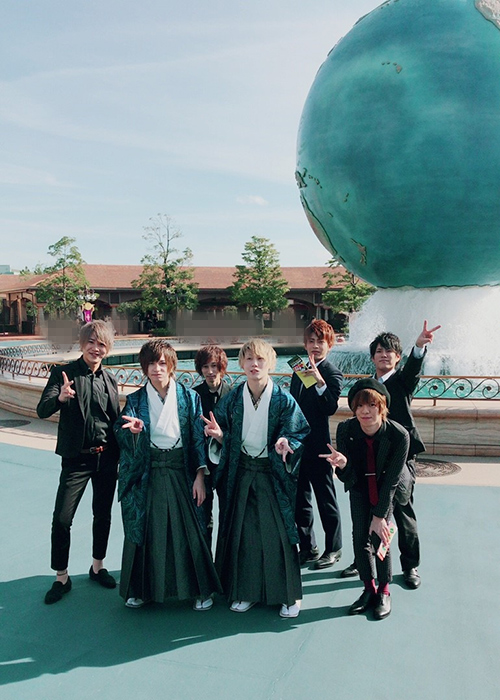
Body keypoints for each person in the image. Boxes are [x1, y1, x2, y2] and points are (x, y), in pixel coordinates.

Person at [203, 339, 310, 618]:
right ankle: (246, 591)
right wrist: (220, 436)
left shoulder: (283, 399)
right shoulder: (232, 399)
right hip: (242, 472)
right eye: (249, 359)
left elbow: (298, 432)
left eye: (260, 359)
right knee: (245, 533)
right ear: (241, 363)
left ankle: (288, 595)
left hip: (272, 473)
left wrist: (286, 444)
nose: (254, 364)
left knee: (278, 534)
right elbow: (221, 431)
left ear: (270, 364)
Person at [115, 339, 221, 611]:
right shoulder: (136, 399)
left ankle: (200, 590)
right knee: (146, 531)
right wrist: (133, 432)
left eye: (162, 363)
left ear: (171, 365)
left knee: (190, 530)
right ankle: (143, 589)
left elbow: (197, 439)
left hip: (181, 470)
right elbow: (120, 430)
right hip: (148, 472)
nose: (156, 369)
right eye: (151, 363)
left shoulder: (189, 397)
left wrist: (200, 476)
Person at [341, 320, 441, 588]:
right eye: (379, 351)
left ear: (397, 357)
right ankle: (364, 560)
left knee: (402, 509)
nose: (384, 355)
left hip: (401, 456)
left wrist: (418, 347)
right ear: (372, 357)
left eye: (390, 351)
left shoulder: (402, 381)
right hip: (370, 456)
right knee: (366, 510)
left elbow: (413, 369)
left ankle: (410, 565)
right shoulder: (366, 387)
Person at [37, 320, 120, 605]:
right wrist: (60, 398)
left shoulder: (109, 379)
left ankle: (97, 566)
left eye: (102, 344)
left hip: (106, 457)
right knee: (62, 518)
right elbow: (42, 409)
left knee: (103, 514)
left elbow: (113, 419)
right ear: (82, 344)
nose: (96, 348)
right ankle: (61, 576)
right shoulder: (64, 373)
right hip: (76, 459)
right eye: (91, 342)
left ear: (107, 349)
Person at [322, 378, 410, 620]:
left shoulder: (398, 435)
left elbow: (392, 480)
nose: (365, 411)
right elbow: (348, 477)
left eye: (371, 405)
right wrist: (343, 464)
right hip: (360, 487)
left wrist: (380, 516)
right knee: (360, 537)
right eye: (359, 406)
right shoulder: (346, 429)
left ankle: (384, 590)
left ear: (382, 406)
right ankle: (369, 589)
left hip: (385, 487)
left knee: (381, 538)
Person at [290, 319, 343, 568]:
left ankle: (334, 548)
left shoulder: (332, 373)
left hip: (320, 448)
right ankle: (307, 547)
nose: (315, 346)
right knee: (300, 500)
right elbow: (293, 404)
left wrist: (320, 382)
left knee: (325, 500)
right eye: (311, 341)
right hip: (298, 446)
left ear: (329, 345)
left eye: (320, 341)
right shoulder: (299, 369)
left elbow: (330, 407)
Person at [193, 345, 231, 545]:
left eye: (214, 366)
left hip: (226, 467)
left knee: (228, 518)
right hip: (203, 466)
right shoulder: (193, 396)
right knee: (202, 518)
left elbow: (239, 435)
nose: (210, 371)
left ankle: (224, 559)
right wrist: (199, 473)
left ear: (222, 367)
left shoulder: (233, 395)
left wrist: (221, 436)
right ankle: (204, 559)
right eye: (205, 367)